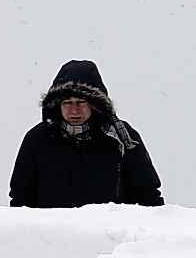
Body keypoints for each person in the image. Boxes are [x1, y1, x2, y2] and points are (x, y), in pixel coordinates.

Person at [9, 59, 163, 208]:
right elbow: (21, 198)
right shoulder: (37, 139)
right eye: (67, 103)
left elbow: (148, 194)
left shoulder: (122, 137)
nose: (74, 110)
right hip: (52, 233)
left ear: (94, 104)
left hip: (108, 232)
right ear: (57, 105)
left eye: (81, 102)